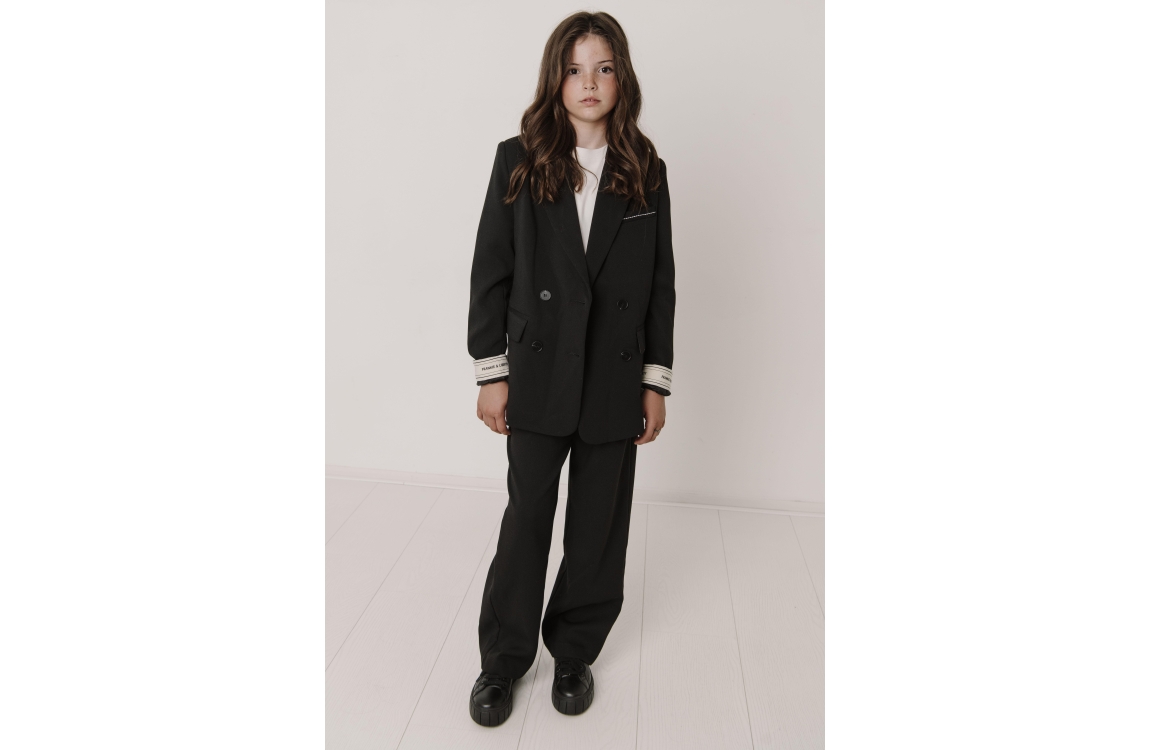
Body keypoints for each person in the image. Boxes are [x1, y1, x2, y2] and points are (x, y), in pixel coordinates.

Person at [466, 10, 675, 727]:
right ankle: (502, 661)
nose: (590, 82)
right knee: (527, 516)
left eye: (604, 68)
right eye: (576, 68)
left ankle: (575, 651)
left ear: (622, 78)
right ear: (555, 78)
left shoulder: (645, 167)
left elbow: (660, 284)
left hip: (614, 376)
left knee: (598, 526)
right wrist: (491, 372)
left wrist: (654, 380)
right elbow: (491, 271)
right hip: (536, 371)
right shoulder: (518, 158)